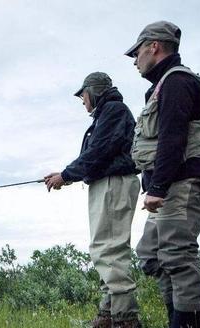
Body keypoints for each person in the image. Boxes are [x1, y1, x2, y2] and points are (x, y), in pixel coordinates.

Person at [125, 21, 200, 328]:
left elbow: (173, 138)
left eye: (137, 52)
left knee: (177, 256)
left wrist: (158, 186)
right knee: (151, 253)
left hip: (184, 181)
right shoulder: (160, 87)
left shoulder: (177, 82)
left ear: (154, 46)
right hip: (171, 184)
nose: (134, 60)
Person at [45, 72, 141, 328]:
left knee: (110, 249)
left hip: (114, 183)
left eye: (82, 95)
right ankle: (109, 314)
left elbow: (99, 150)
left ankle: (125, 319)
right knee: (104, 247)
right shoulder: (109, 112)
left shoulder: (113, 110)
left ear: (93, 91)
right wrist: (65, 175)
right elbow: (98, 152)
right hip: (107, 183)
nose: (82, 101)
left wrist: (65, 175)